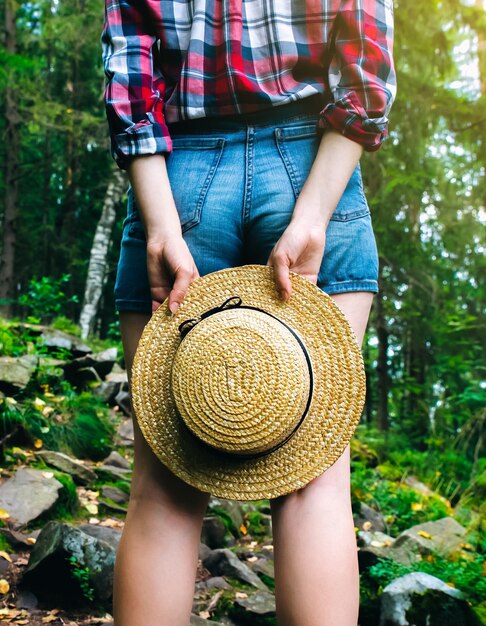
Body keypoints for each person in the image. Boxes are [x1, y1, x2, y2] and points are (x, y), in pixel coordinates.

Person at [101, 0, 397, 624]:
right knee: (314, 484)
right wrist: (313, 217)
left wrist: (159, 223)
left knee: (164, 487)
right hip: (317, 165)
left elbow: (130, 73)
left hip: (175, 176)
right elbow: (366, 74)